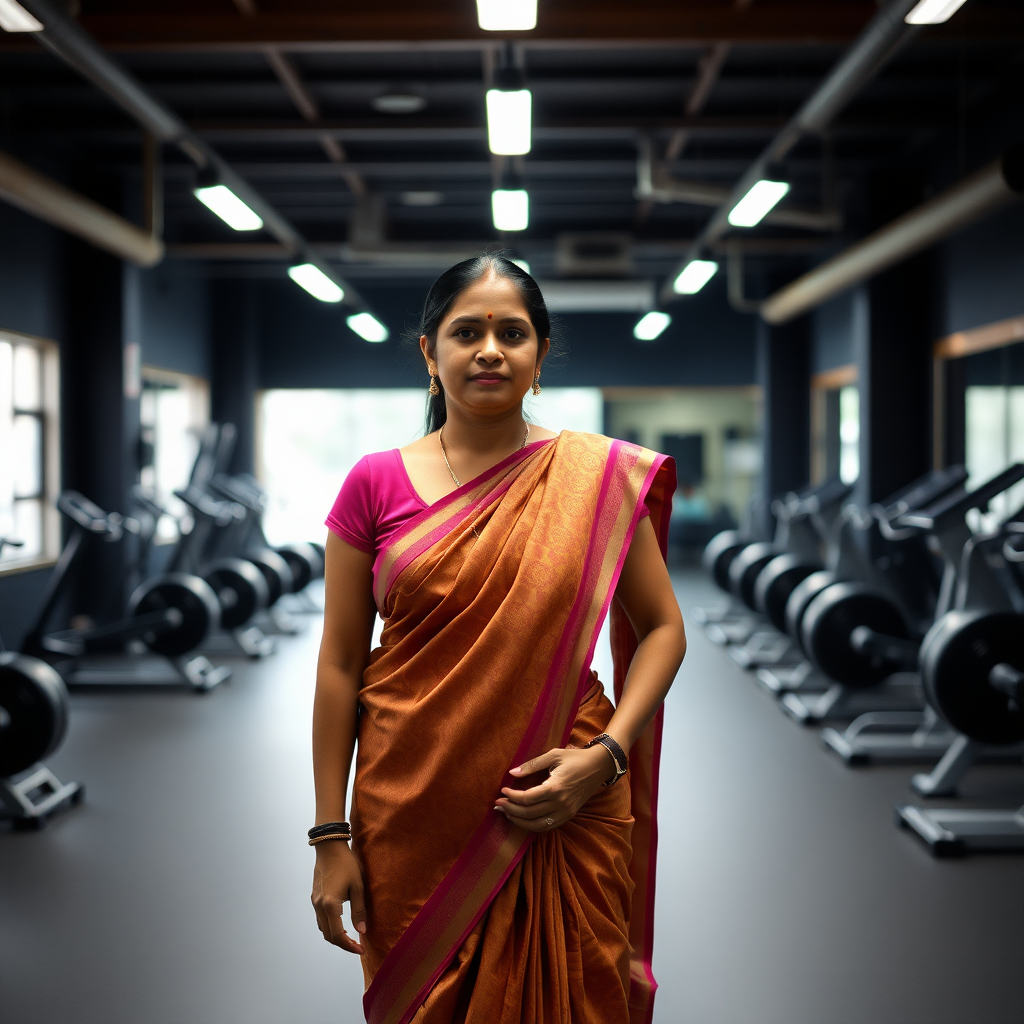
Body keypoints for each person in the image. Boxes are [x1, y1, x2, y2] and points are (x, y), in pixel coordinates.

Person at [310, 254, 686, 1024]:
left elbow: (664, 630)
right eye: (467, 331)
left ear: (540, 357)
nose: (489, 349)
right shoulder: (373, 483)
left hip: (564, 804)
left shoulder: (597, 477)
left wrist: (604, 756)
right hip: (410, 812)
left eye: (512, 333)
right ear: (429, 352)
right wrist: (329, 834)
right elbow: (340, 664)